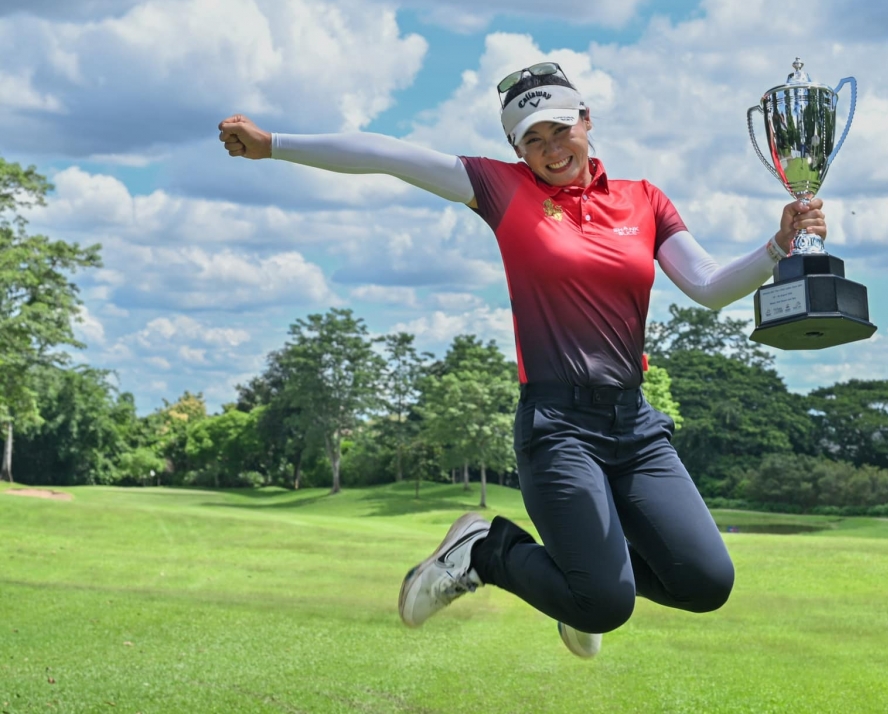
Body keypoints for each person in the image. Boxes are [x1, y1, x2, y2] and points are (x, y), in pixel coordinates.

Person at [218, 61, 825, 660]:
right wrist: (274, 145)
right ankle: (483, 550)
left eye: (561, 129)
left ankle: (577, 585)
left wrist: (778, 245)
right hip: (558, 427)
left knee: (705, 583)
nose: (551, 148)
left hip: (635, 427)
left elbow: (710, 286)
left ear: (587, 120)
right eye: (531, 139)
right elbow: (387, 154)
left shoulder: (645, 201)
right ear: (516, 148)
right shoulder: (503, 190)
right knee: (607, 606)